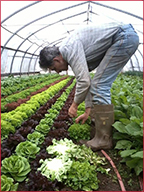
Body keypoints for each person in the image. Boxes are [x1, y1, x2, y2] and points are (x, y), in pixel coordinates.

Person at [39, 22, 139, 151]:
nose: (57, 72)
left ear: (56, 60)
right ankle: (98, 132)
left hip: (123, 37)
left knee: (100, 84)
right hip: (124, 37)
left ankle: (103, 140)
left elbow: (84, 82)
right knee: (97, 83)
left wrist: (74, 105)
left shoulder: (68, 49)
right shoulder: (70, 51)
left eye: (53, 69)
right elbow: (87, 82)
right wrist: (87, 110)